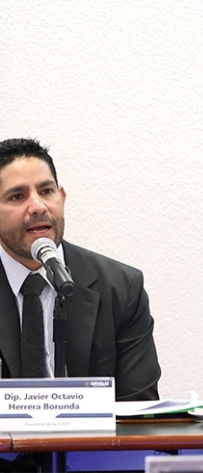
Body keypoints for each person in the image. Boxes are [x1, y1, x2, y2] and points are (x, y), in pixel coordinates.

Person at [0, 138, 161, 401]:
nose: (38, 206)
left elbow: (138, 406)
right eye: (17, 196)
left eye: (46, 191)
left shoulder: (120, 288)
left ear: (61, 197)